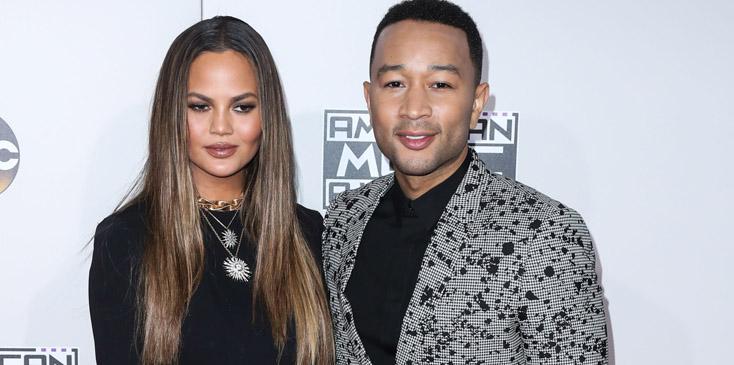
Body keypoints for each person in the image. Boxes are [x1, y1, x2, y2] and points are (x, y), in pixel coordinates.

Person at [321, 1, 608, 364]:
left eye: (440, 84)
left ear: (476, 103)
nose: (414, 107)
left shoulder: (545, 234)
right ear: (369, 97)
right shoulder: (344, 218)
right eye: (395, 83)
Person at [89, 16, 333, 365]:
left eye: (242, 107)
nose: (221, 127)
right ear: (172, 112)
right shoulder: (126, 240)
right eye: (200, 106)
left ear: (268, 115)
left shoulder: (311, 235)